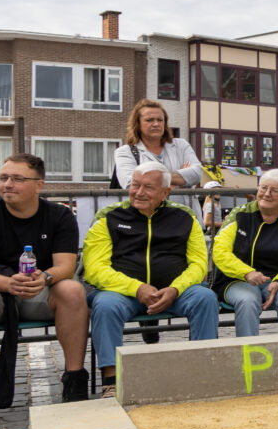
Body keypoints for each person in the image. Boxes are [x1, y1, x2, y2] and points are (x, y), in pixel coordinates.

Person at [0, 154, 88, 423]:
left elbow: (66, 266)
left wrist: (43, 278)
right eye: (3, 178)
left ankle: (75, 382)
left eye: (17, 179)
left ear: (39, 185)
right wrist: (7, 283)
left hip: (39, 291)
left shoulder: (59, 215)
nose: (7, 184)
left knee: (72, 290)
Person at [84, 163, 219, 388]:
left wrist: (175, 289)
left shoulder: (185, 218)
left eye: (148, 187)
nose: (139, 192)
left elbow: (198, 264)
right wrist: (136, 288)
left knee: (205, 299)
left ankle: (199, 373)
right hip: (124, 293)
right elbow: (95, 267)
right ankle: (111, 380)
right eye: (135, 185)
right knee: (105, 305)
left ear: (166, 192)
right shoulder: (108, 217)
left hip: (176, 291)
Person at [210, 168, 278, 336]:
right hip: (237, 279)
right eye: (263, 188)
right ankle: (248, 356)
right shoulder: (240, 215)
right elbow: (220, 251)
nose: (266, 194)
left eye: (274, 190)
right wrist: (247, 273)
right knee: (248, 300)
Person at [114, 99, 202, 189]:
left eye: (160, 120)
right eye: (149, 120)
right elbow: (131, 184)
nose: (156, 124)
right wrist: (179, 179)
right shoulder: (124, 152)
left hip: (185, 204)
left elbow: (197, 173)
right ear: (138, 124)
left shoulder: (181, 145)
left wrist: (152, 180)